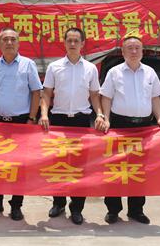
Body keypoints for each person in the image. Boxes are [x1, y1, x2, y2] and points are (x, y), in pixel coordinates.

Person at [0, 27, 42, 221]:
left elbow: (36, 92)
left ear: (18, 43)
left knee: (18, 166)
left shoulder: (28, 65)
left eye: (13, 39)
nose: (9, 43)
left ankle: (16, 205)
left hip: (20, 123)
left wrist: (32, 118)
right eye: (5, 39)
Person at [38, 27, 104, 225]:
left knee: (78, 166)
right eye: (69, 40)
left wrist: (100, 114)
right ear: (65, 43)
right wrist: (44, 114)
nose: (73, 44)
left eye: (76, 41)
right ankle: (58, 203)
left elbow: (94, 95)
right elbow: (46, 93)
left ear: (82, 44)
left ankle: (77, 208)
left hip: (80, 121)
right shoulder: (54, 67)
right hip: (58, 120)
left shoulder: (90, 68)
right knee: (58, 164)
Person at [99, 36, 160, 225]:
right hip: (120, 126)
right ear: (123, 52)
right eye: (130, 48)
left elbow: (155, 98)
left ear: (142, 51)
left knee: (139, 169)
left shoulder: (150, 72)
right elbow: (106, 97)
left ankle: (136, 210)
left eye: (137, 48)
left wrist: (159, 118)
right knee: (116, 168)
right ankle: (113, 210)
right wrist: (106, 119)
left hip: (143, 127)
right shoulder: (114, 72)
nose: (134, 51)